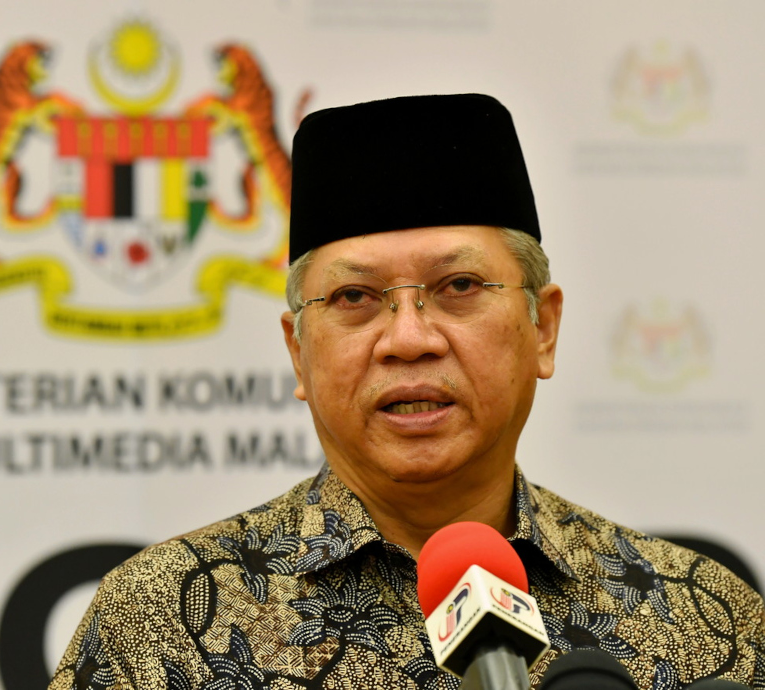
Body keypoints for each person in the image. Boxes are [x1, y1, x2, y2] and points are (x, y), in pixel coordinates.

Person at [47, 94, 765, 690]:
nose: (409, 337)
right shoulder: (160, 622)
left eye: (458, 287)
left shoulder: (700, 619)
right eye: (356, 297)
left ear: (541, 328)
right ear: (298, 352)